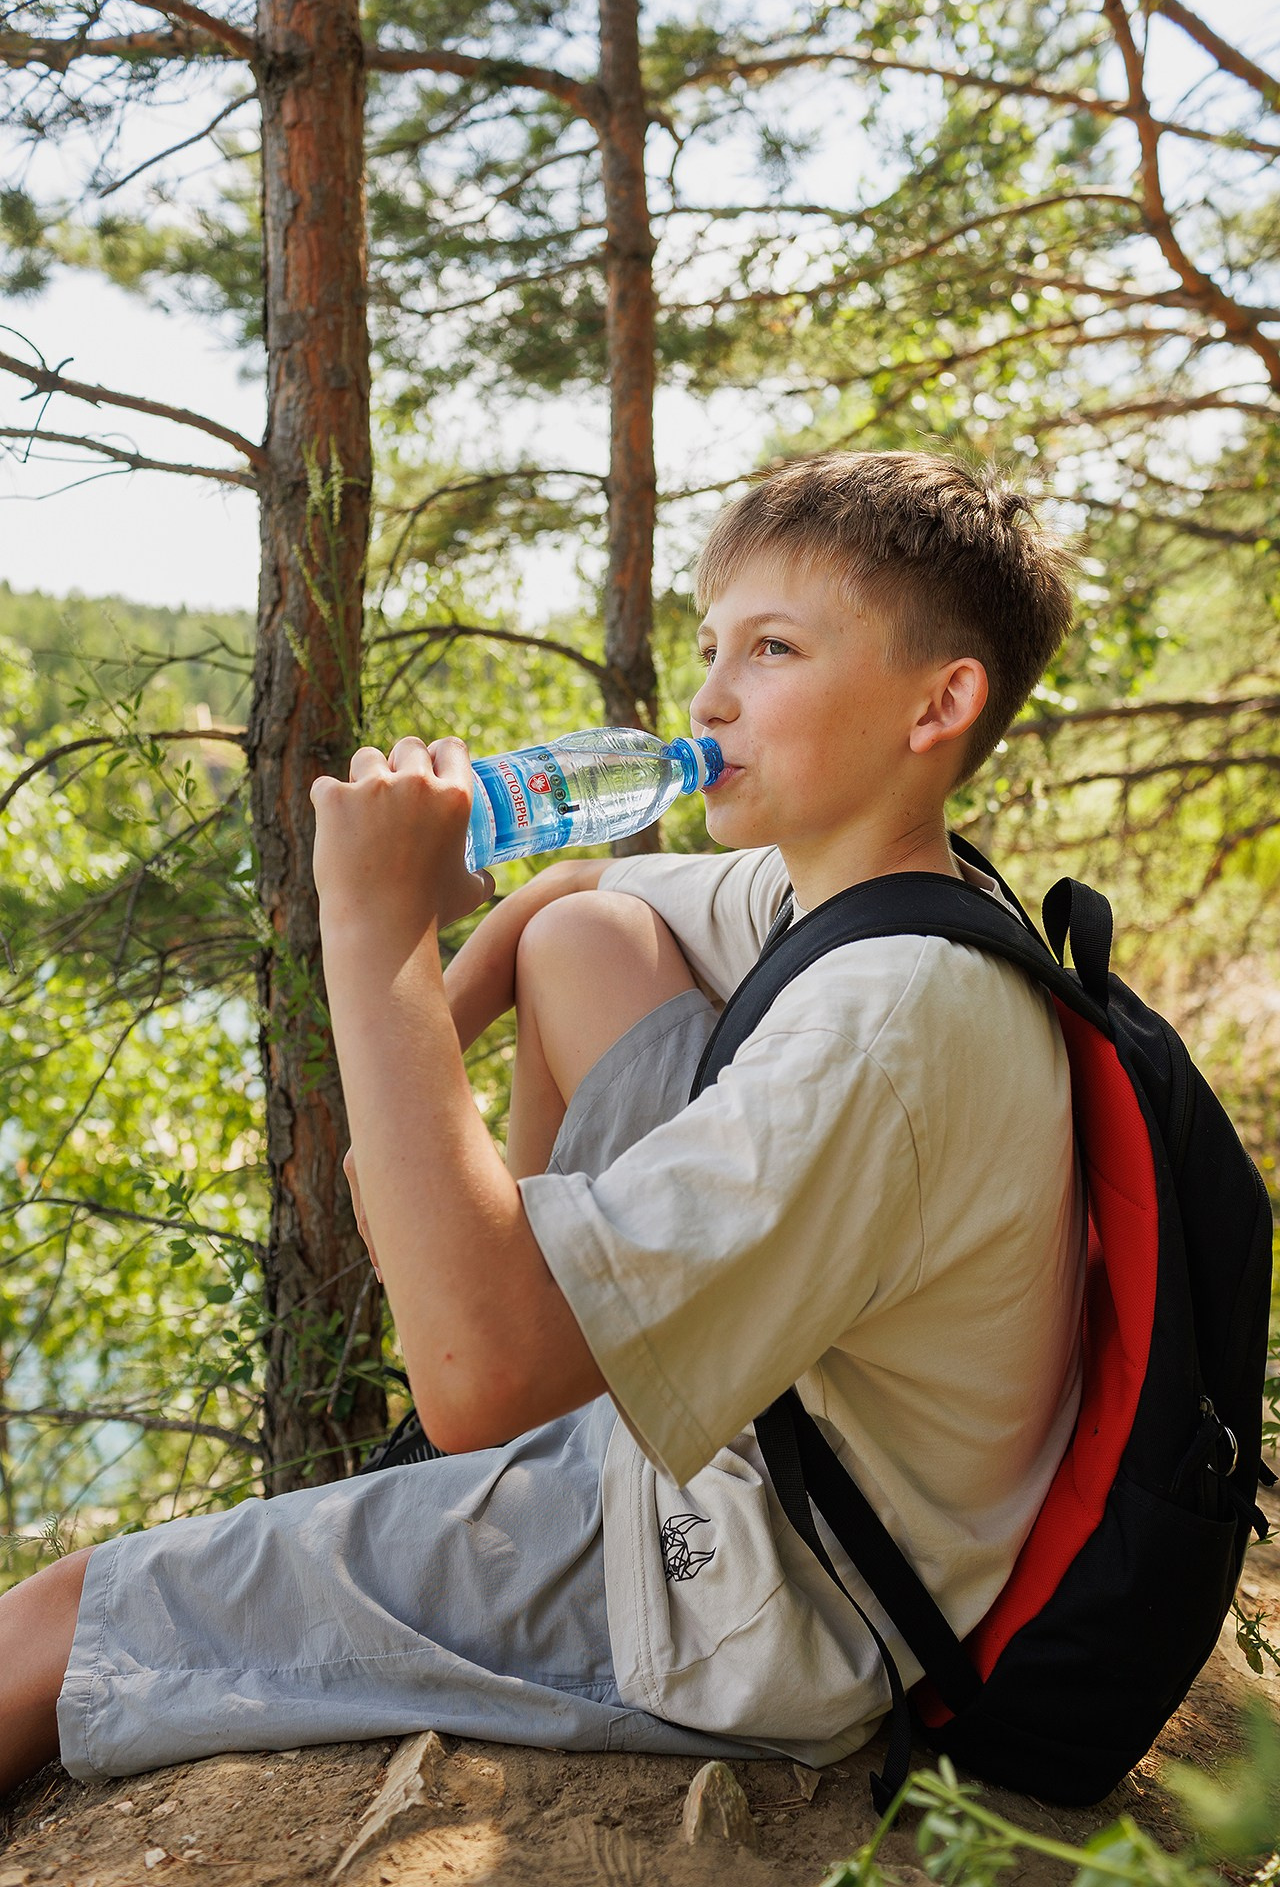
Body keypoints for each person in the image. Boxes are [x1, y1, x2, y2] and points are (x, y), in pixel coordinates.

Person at [0, 449, 1083, 1791]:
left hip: (753, 1598)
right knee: (589, 934)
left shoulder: (883, 1025)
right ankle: (527, 1338)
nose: (709, 694)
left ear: (941, 704)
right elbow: (566, 892)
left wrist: (375, 928)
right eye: (710, 645)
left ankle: (517, 1388)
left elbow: (470, 1390)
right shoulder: (879, 889)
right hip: (801, 1467)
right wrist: (410, 1091)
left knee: (54, 1621)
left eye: (775, 648)